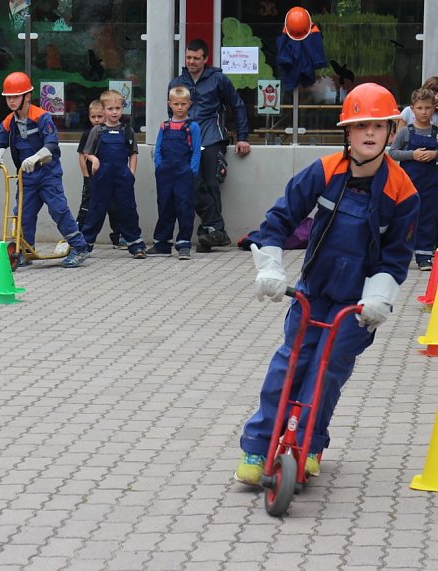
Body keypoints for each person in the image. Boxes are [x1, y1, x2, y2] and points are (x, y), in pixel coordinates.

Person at [234, 83, 419, 486]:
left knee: (327, 370)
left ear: (391, 132)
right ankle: (258, 445)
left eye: (378, 126)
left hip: (356, 304)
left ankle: (309, 444)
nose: (369, 134)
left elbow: (396, 256)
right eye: (359, 126)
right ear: (347, 133)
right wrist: (269, 267)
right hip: (311, 294)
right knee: (289, 364)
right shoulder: (324, 171)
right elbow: (279, 220)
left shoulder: (402, 190)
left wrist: (379, 298)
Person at [0, 71, 90, 268]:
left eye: (15, 96)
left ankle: (79, 247)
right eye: (8, 97)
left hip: (47, 172)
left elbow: (51, 143)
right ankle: (24, 251)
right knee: (23, 213)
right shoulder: (9, 121)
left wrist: (36, 157)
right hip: (26, 176)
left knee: (58, 209)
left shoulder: (42, 117)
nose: (11, 101)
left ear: (27, 96)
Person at [168, 38, 251, 252]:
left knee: (212, 184)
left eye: (196, 58)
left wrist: (243, 137)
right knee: (193, 184)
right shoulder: (177, 82)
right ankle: (216, 229)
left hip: (212, 138)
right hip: (185, 142)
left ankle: (207, 237)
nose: (192, 61)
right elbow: (172, 115)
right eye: (188, 57)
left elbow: (238, 106)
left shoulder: (218, 79)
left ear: (205, 59)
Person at [80, 89, 147, 258]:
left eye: (118, 108)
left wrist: (131, 173)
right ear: (103, 110)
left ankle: (136, 245)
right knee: (96, 210)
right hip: (102, 177)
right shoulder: (97, 131)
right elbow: (87, 152)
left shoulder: (127, 131)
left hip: (123, 177)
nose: (114, 112)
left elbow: (133, 154)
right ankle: (85, 245)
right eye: (110, 109)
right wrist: (94, 160)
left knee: (128, 209)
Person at [388, 88, 438, 270]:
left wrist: (435, 154)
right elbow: (392, 153)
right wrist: (412, 155)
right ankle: (401, 255)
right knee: (405, 218)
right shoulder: (405, 132)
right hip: (407, 185)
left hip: (431, 186)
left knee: (427, 219)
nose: (424, 112)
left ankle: (424, 257)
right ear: (412, 109)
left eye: (428, 108)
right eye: (420, 108)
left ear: (434, 110)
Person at [146, 85, 201, 260]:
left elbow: (196, 151)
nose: (179, 107)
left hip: (184, 172)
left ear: (189, 104)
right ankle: (162, 244)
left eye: (183, 104)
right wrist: (159, 166)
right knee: (165, 206)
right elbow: (158, 148)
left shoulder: (192, 127)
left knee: (185, 207)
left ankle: (184, 244)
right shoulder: (165, 126)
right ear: (170, 104)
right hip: (165, 173)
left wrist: (192, 170)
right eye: (176, 104)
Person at [76, 99, 122, 248]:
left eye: (99, 117)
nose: (96, 120)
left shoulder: (107, 132)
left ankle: (118, 237)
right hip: (92, 178)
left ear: (105, 116)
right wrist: (86, 177)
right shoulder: (88, 133)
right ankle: (78, 235)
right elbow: (82, 157)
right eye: (93, 117)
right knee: (87, 206)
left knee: (114, 207)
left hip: (108, 177)